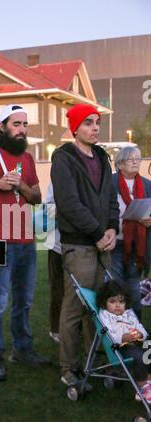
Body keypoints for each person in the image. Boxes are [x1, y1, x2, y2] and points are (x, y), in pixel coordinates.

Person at [0, 104, 51, 381]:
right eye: (16, 124)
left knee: (24, 299)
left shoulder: (26, 159)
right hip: (0, 239)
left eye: (25, 125)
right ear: (1, 126)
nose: (22, 130)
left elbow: (37, 196)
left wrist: (21, 187)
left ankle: (22, 349)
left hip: (26, 239)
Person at [51, 103, 119, 387]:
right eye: (89, 123)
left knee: (100, 307)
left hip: (103, 242)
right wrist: (96, 233)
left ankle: (94, 362)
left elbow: (111, 197)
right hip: (79, 245)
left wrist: (113, 228)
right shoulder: (63, 158)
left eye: (97, 123)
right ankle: (69, 367)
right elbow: (69, 205)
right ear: (75, 128)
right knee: (76, 306)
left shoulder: (102, 156)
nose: (95, 128)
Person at [111, 146, 151, 318]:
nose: (135, 161)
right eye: (130, 158)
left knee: (134, 289)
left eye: (138, 158)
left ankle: (137, 332)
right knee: (116, 287)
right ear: (120, 164)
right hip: (114, 243)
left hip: (138, 245)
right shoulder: (109, 183)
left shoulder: (147, 185)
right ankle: (118, 329)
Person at [97, 280, 151, 403]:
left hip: (136, 343)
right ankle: (142, 387)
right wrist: (122, 337)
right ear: (104, 302)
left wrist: (140, 334)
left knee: (150, 345)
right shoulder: (105, 315)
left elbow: (140, 327)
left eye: (121, 302)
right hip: (120, 348)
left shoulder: (129, 313)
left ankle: (148, 377)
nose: (117, 305)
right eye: (112, 301)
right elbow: (108, 334)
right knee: (139, 356)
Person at [45, 182, 63, 344]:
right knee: (58, 288)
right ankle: (55, 328)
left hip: (84, 244)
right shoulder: (56, 181)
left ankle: (76, 327)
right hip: (58, 245)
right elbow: (48, 209)